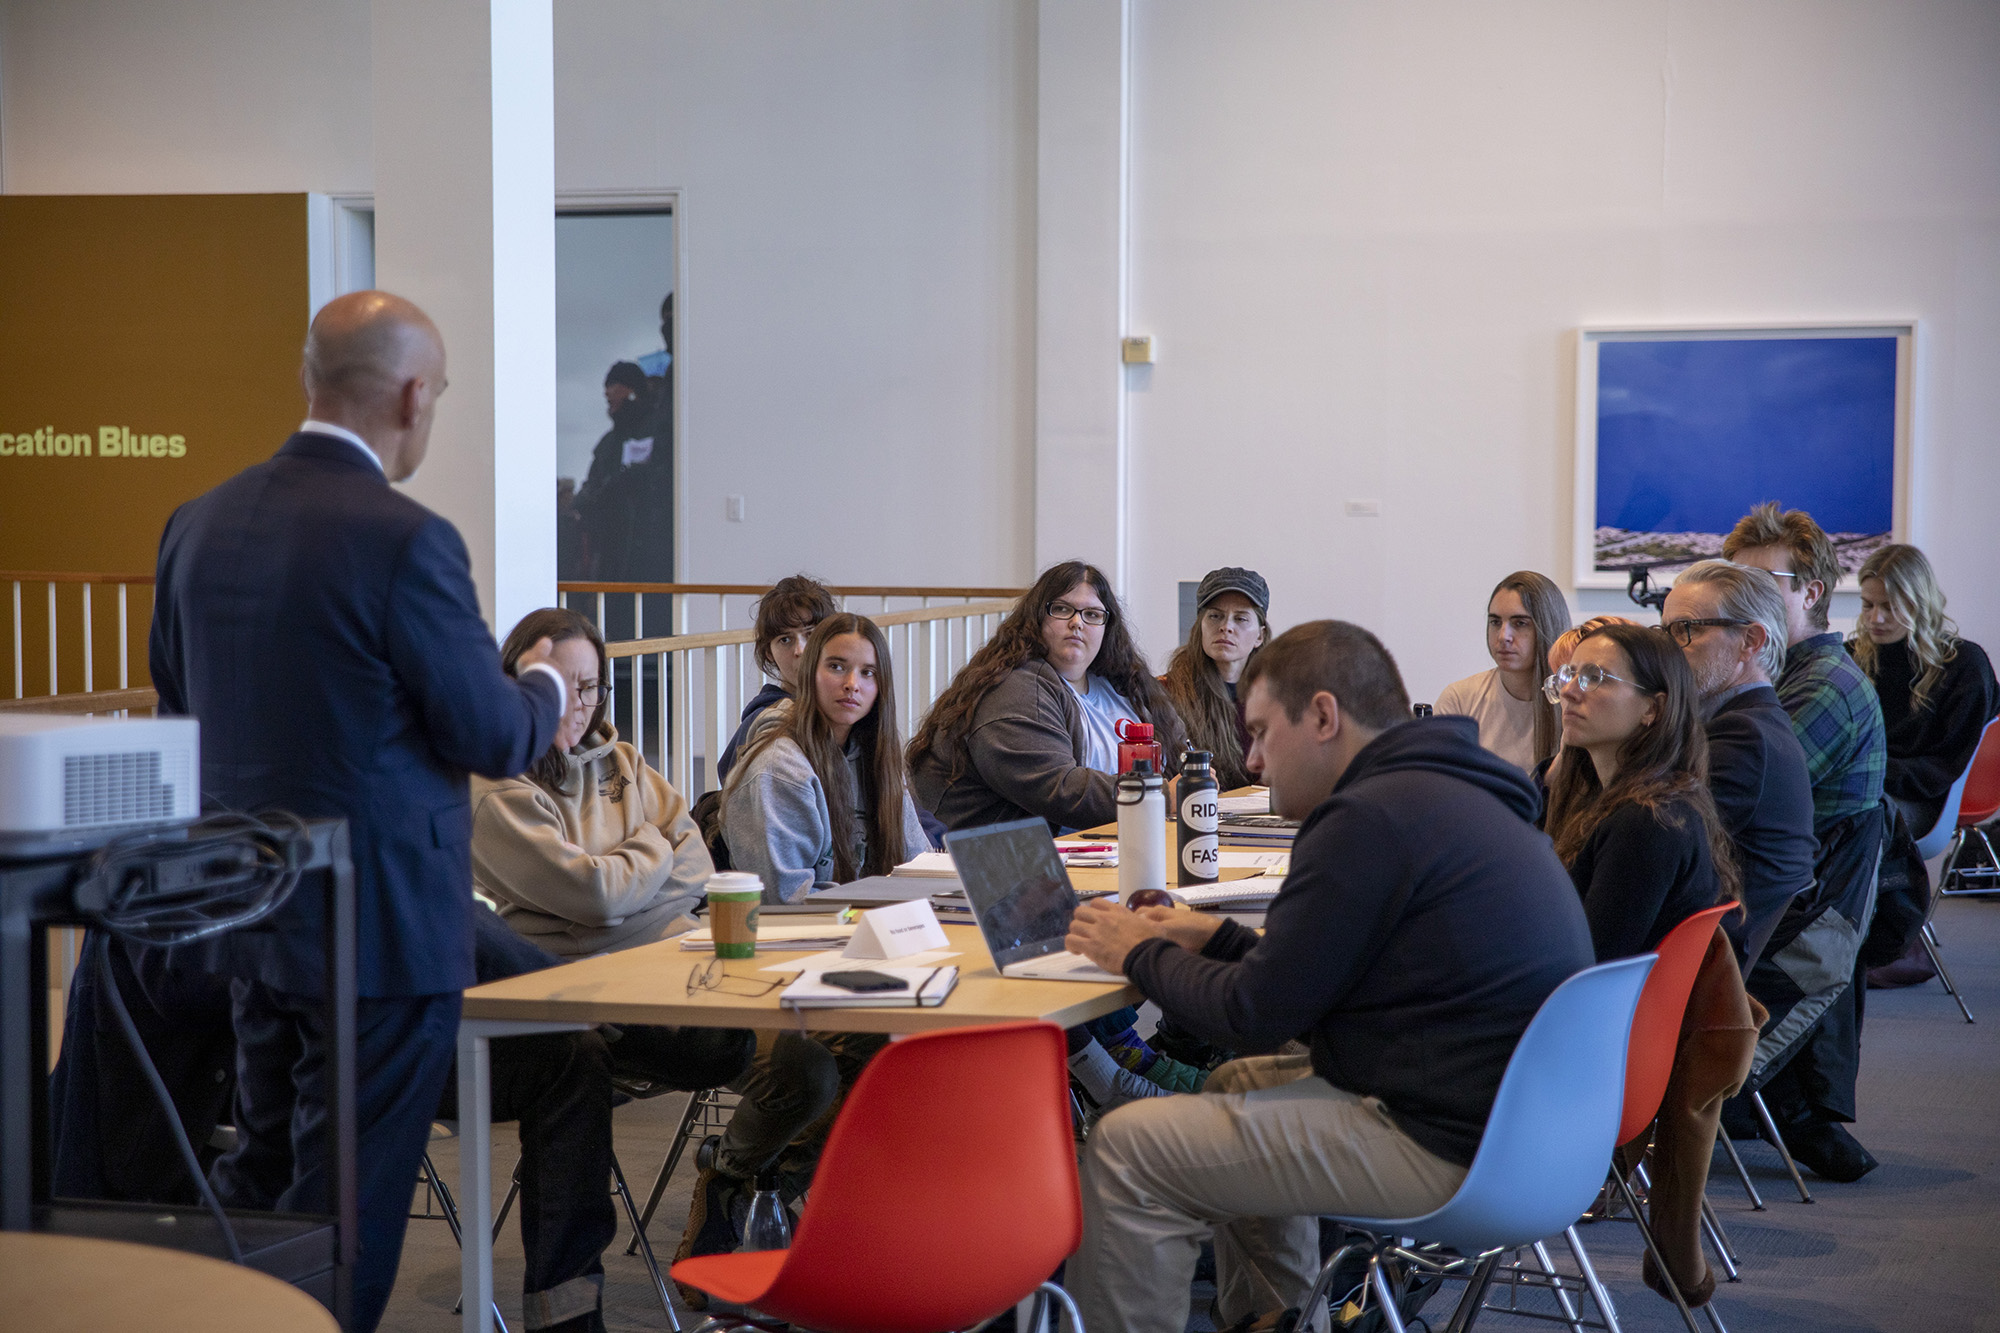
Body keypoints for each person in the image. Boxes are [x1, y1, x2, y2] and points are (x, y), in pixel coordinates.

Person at [147, 291, 568, 1333]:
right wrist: (551, 686)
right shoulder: (405, 541)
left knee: (268, 1184)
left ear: (310, 377)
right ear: (413, 394)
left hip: (245, 920)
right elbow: (490, 733)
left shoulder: (196, 523)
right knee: (350, 1215)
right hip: (380, 936)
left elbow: (175, 708)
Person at [1061, 621, 1595, 1333]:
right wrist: (1213, 935)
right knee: (1240, 1082)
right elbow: (1308, 980)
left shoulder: (1367, 817)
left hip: (1456, 1148)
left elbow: (1254, 1013)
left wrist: (1136, 952)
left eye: (1259, 732)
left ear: (1321, 715)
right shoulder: (1444, 795)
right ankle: (1279, 1320)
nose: (1250, 761)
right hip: (1541, 1137)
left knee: (1129, 1148)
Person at [1723, 503, 1889, 1182]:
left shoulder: (1825, 687)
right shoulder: (1786, 676)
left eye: (1757, 588)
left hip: (1795, 920)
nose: (1738, 607)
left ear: (1809, 591)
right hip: (1782, 905)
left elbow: (1736, 801)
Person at [908, 560, 1188, 833]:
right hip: (997, 864)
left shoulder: (1123, 684)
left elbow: (1179, 751)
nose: (1077, 622)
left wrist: (1195, 780)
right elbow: (1059, 788)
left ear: (1106, 627)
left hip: (1112, 849)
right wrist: (1158, 796)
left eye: (1092, 614)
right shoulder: (1012, 689)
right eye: (1063, 609)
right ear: (1037, 619)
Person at [1542, 621, 1739, 960]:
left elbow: (1590, 963)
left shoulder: (1645, 822)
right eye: (1569, 675)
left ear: (1652, 708)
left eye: (1595, 677)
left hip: (1598, 1008)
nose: (1569, 691)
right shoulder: (1623, 802)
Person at [1660, 561, 1817, 972]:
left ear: (1750, 640)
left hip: (1704, 974)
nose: (1667, 651)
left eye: (1685, 631)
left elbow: (1652, 841)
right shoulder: (1743, 724)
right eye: (1665, 632)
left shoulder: (1745, 739)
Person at [722, 613, 930, 902]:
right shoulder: (779, 769)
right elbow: (788, 901)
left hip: (871, 926)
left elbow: (918, 866)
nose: (852, 684)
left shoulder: (879, 757)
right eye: (836, 667)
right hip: (801, 938)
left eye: (868, 672)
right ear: (809, 674)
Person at [1850, 544, 1998, 838]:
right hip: (1859, 787)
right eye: (1868, 605)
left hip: (1923, 801)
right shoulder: (1850, 658)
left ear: (1919, 604)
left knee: (1851, 819)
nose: (1875, 619)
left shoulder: (1963, 665)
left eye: (1890, 607)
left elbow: (1942, 768)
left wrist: (1866, 771)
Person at [1435, 570, 1572, 772]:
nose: (1503, 636)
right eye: (1495, 622)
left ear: (1547, 625)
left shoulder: (1574, 701)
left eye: (1520, 623)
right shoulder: (1460, 699)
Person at [716, 574, 840, 783]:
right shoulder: (767, 719)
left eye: (810, 634)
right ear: (769, 653)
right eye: (785, 640)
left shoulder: (846, 704)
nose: (800, 650)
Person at [1160, 567, 1270, 791]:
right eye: (1215, 616)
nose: (1226, 627)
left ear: (1259, 635)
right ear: (1200, 626)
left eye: (1240, 618)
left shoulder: (1277, 699)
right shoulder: (1164, 692)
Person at [573, 361, 661, 581]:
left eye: (612, 384)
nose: (606, 392)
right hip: (610, 551)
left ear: (631, 389)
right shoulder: (609, 442)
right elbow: (591, 487)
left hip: (647, 553)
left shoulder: (660, 432)